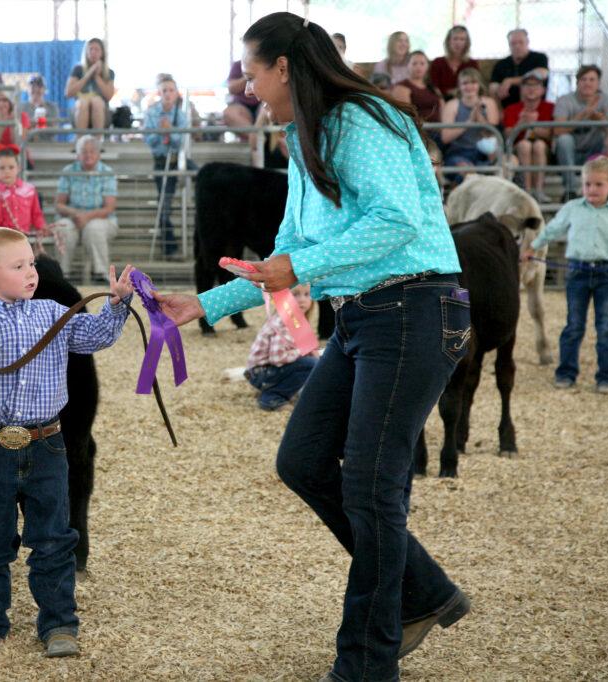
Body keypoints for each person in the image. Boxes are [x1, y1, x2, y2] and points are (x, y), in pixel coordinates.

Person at [152, 15, 470, 682]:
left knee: (371, 487)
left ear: (286, 68)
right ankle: (424, 591)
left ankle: (366, 662)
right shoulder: (304, 140)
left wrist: (302, 268)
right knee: (303, 461)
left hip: (414, 306)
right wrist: (201, 305)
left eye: (252, 69)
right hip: (363, 317)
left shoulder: (361, 119)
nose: (247, 82)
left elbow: (397, 219)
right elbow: (288, 258)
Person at [0, 226, 133, 658]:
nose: (32, 272)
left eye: (32, 263)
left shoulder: (52, 313)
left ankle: (59, 624)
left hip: (48, 444)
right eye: (19, 266)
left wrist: (118, 304)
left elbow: (95, 337)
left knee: (54, 537)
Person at [523, 157, 608, 393]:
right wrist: (533, 247)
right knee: (574, 325)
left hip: (606, 274)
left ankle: (606, 376)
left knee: (605, 326)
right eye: (588, 184)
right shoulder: (573, 208)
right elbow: (552, 229)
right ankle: (566, 372)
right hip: (578, 273)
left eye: (599, 185)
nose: (592, 189)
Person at [144, 73, 198, 259]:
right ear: (159, 93)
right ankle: (170, 246)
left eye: (171, 90)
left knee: (200, 175)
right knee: (164, 204)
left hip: (176, 159)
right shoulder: (151, 113)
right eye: (164, 90)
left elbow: (180, 141)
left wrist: (171, 131)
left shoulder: (181, 115)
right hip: (161, 160)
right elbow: (149, 140)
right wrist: (161, 132)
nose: (168, 94)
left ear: (176, 93)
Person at [244, 284, 320, 411]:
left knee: (313, 362)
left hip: (264, 371)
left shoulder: (295, 320)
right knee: (310, 364)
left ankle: (275, 388)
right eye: (295, 294)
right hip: (261, 373)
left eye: (307, 294)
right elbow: (277, 358)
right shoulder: (284, 322)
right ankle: (272, 397)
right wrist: (303, 352)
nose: (302, 299)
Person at [54, 135, 118, 282]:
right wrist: (75, 214)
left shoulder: (107, 172)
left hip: (102, 219)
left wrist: (87, 217)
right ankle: (63, 275)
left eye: (92, 151)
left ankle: (100, 274)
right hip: (73, 216)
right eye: (84, 151)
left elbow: (109, 208)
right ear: (77, 155)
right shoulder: (69, 171)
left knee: (94, 228)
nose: (88, 155)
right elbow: (59, 204)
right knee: (63, 228)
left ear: (99, 154)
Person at [554, 65, 608, 201]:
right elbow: (558, 130)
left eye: (592, 79)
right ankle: (571, 191)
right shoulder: (564, 100)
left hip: (594, 151)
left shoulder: (607, 100)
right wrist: (583, 115)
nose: (587, 83)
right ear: (577, 82)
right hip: (570, 153)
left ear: (598, 83)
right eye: (583, 79)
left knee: (606, 137)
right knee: (564, 139)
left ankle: (605, 189)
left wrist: (601, 120)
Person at [440, 68, 501, 184]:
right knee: (467, 171)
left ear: (479, 85)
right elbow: (445, 137)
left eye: (473, 83)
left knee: (510, 161)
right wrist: (468, 123)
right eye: (465, 83)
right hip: (459, 152)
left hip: (485, 153)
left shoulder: (489, 103)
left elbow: (493, 133)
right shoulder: (452, 105)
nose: (469, 87)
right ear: (459, 86)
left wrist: (480, 118)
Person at [502, 72, 554, 202]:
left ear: (543, 90)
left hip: (543, 149)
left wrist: (532, 125)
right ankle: (527, 191)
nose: (531, 89)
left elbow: (551, 134)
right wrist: (521, 123)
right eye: (527, 85)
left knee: (539, 145)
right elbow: (508, 135)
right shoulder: (511, 109)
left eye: (536, 85)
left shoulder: (550, 107)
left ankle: (539, 190)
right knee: (525, 145)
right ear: (521, 89)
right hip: (519, 148)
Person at [0, 146, 45, 234]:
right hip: (2, 238)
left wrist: (42, 227)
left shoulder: (29, 190)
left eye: (11, 167)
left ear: (18, 168)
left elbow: (36, 214)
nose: (7, 171)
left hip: (24, 237)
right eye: (2, 168)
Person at [489, 28, 549, 109]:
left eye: (521, 42)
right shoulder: (501, 64)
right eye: (513, 43)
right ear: (509, 45)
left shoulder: (539, 58)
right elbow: (493, 87)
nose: (517, 46)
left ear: (527, 42)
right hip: (508, 108)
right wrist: (497, 91)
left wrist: (510, 81)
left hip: (536, 107)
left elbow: (541, 74)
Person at [66, 37, 115, 130]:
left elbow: (109, 96)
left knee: (96, 101)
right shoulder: (78, 70)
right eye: (90, 49)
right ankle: (81, 140)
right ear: (86, 52)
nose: (93, 52)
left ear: (102, 53)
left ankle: (98, 139)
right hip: (79, 111)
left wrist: (96, 76)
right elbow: (68, 93)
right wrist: (88, 74)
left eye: (96, 49)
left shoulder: (109, 72)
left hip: (102, 113)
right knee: (83, 103)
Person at [0, 90, 30, 180]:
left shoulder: (21, 116)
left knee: (17, 152)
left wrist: (13, 123)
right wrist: (2, 123)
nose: (0, 104)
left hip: (14, 149)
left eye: (4, 100)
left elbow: (20, 142)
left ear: (10, 102)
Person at [390, 51, 444, 123]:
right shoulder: (401, 87)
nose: (418, 67)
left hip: (440, 127)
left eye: (422, 63)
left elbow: (444, 109)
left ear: (427, 66)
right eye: (414, 63)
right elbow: (406, 117)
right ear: (407, 65)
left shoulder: (432, 87)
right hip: (419, 129)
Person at [430, 25, 478, 100]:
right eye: (455, 39)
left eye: (462, 39)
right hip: (441, 101)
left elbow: (476, 87)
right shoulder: (437, 62)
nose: (458, 43)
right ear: (448, 41)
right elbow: (433, 87)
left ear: (467, 43)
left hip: (466, 100)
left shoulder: (472, 63)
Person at [223, 59, 260, 140]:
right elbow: (231, 88)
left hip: (263, 103)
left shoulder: (267, 62)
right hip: (242, 106)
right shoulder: (237, 65)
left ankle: (257, 138)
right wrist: (249, 75)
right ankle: (256, 138)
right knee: (229, 113)